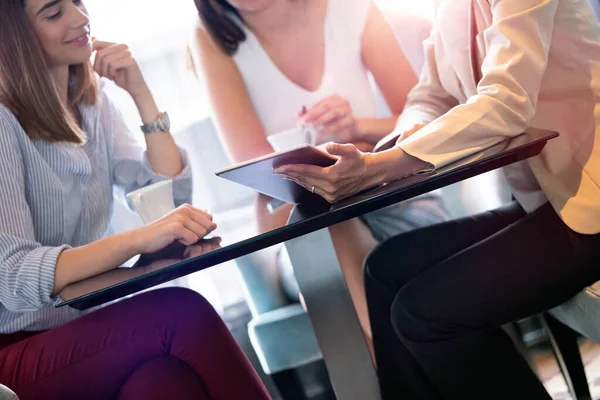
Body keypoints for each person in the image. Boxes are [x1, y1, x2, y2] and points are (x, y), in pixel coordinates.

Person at [274, 0, 600, 398]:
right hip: (551, 201)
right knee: (383, 268)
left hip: (589, 200)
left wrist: (381, 167)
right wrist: (397, 143)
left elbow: (506, 101)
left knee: (423, 315)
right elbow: (429, 94)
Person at [0, 0, 270, 399]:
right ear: (14, 37)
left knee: (164, 383)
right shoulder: (4, 122)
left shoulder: (91, 103)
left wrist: (140, 93)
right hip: (12, 349)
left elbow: (169, 204)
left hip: (76, 328)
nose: (80, 18)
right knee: (180, 314)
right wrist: (136, 240)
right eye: (54, 13)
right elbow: (12, 276)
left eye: (76, 2)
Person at [189, 0, 449, 351]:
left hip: (389, 201)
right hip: (301, 232)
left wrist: (357, 127)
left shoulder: (348, 8)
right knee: (327, 227)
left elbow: (423, 119)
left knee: (341, 236)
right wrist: (345, 151)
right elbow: (256, 166)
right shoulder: (209, 37)